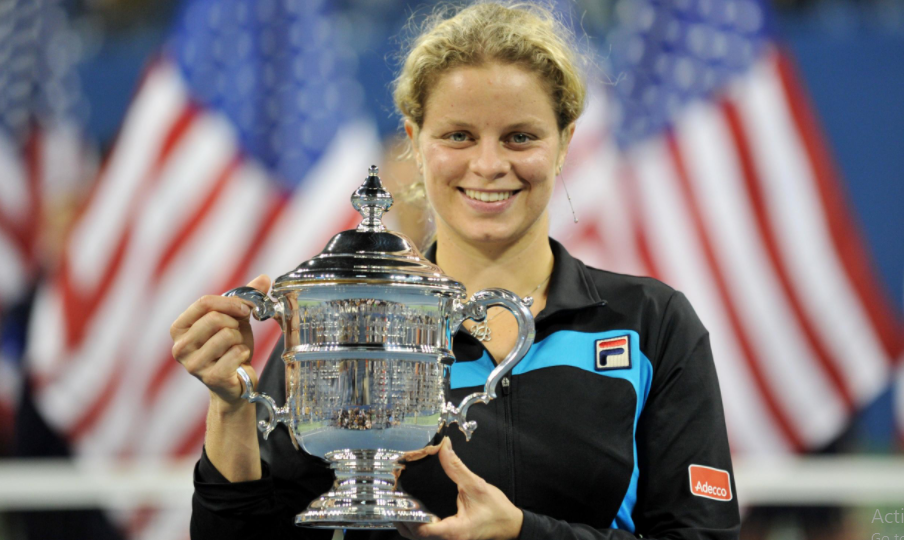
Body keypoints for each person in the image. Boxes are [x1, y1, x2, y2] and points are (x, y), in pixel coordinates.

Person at [170, 2, 742, 539]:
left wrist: (524, 533)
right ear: (416, 143)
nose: (489, 165)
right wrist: (229, 407)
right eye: (459, 136)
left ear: (565, 143)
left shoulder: (652, 324)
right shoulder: (345, 318)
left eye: (520, 137)